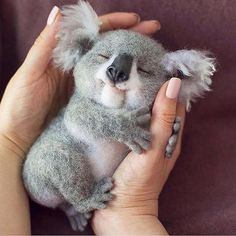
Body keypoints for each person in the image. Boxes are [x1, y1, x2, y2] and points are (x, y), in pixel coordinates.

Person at [0, 6, 185, 235]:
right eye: (104, 56)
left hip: (98, 184)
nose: (117, 70)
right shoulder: (81, 105)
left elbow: (150, 143)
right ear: (83, 54)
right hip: (43, 176)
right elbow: (78, 121)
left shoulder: (146, 114)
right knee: (54, 159)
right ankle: (81, 199)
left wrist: (167, 136)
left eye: (145, 70)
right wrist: (9, 139)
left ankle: (73, 205)